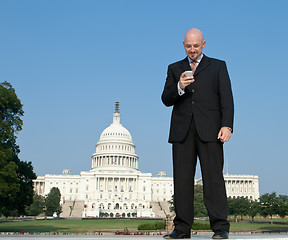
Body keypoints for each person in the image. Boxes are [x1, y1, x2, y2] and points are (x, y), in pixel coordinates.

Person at [161, 28, 234, 239]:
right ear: (183, 45)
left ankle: (220, 227)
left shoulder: (218, 66)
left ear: (203, 44)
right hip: (182, 132)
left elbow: (226, 99)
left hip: (211, 130)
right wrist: (179, 86)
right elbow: (166, 99)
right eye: (188, 46)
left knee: (213, 179)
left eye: (196, 45)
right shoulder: (175, 68)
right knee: (182, 181)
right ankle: (182, 228)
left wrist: (227, 125)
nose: (192, 50)